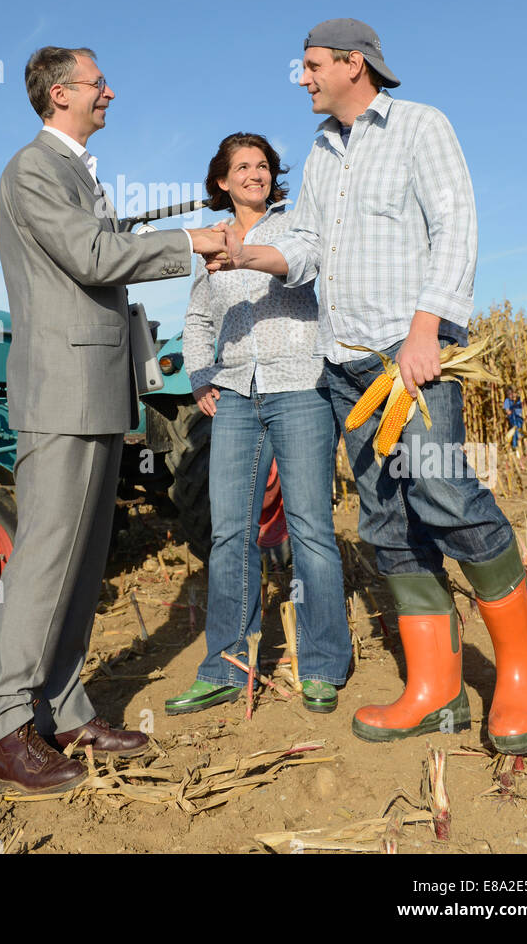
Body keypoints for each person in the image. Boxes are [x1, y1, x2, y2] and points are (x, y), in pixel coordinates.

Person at [212, 20, 527, 755]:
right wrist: (252, 252)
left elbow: (456, 225)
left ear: (350, 64)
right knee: (385, 521)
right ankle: (435, 689)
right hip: (346, 364)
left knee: (447, 496)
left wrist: (428, 328)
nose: (301, 78)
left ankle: (522, 673)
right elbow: (303, 246)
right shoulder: (322, 151)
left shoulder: (420, 127)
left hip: (410, 351)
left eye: (309, 66)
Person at [0, 45, 224, 795]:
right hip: (61, 389)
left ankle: (63, 708)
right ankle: (11, 727)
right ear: (61, 94)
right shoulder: (34, 169)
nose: (111, 92)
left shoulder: (76, 170)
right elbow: (92, 255)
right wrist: (190, 242)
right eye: (99, 83)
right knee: (46, 559)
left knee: (82, 563)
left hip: (92, 388)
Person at [165, 134, 351, 716]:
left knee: (310, 528)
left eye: (263, 166)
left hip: (299, 386)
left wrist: (244, 255)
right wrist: (202, 378)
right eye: (242, 166)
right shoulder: (209, 242)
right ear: (221, 180)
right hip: (238, 395)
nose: (255, 173)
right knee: (228, 533)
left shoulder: (294, 224)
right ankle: (226, 664)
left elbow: (299, 268)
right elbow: (198, 317)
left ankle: (321, 664)